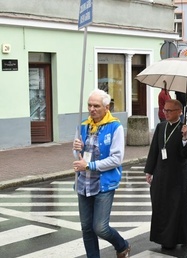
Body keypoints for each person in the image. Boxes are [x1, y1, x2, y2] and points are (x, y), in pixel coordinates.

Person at [72, 89, 131, 258]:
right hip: (83, 183)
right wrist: (77, 150)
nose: (92, 109)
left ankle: (122, 245)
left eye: (96, 106)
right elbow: (78, 157)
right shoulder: (83, 125)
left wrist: (89, 165)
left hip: (104, 184)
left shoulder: (115, 127)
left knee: (100, 227)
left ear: (107, 107)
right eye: (89, 105)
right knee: (87, 228)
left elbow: (116, 159)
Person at [144, 99, 187, 250]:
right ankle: (162, 236)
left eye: (169, 111)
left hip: (178, 175)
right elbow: (154, 150)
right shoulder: (161, 126)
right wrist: (149, 170)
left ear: (179, 111)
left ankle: (175, 238)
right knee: (161, 206)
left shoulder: (185, 129)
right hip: (161, 173)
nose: (165, 113)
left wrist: (185, 138)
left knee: (176, 207)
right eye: (164, 110)